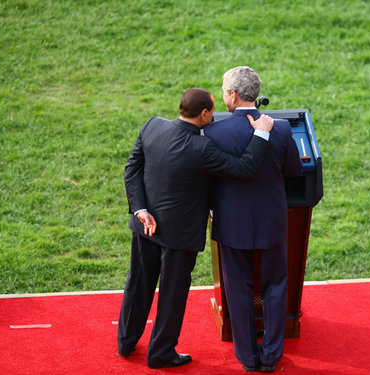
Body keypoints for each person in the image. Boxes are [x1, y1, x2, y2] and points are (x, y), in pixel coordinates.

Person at [117, 88, 275, 369]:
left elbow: (132, 170)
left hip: (146, 226)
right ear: (203, 114)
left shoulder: (152, 125)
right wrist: (261, 133)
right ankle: (161, 353)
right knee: (172, 294)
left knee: (138, 284)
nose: (213, 118)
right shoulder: (202, 149)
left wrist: (141, 210)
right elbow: (244, 167)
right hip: (180, 235)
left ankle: (126, 342)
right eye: (212, 113)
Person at [204, 67, 303, 372]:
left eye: (224, 90)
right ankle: (271, 357)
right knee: (275, 286)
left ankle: (248, 358)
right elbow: (295, 171)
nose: (223, 95)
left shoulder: (214, 132)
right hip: (272, 221)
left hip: (232, 224)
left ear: (233, 95)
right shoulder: (283, 130)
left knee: (239, 289)